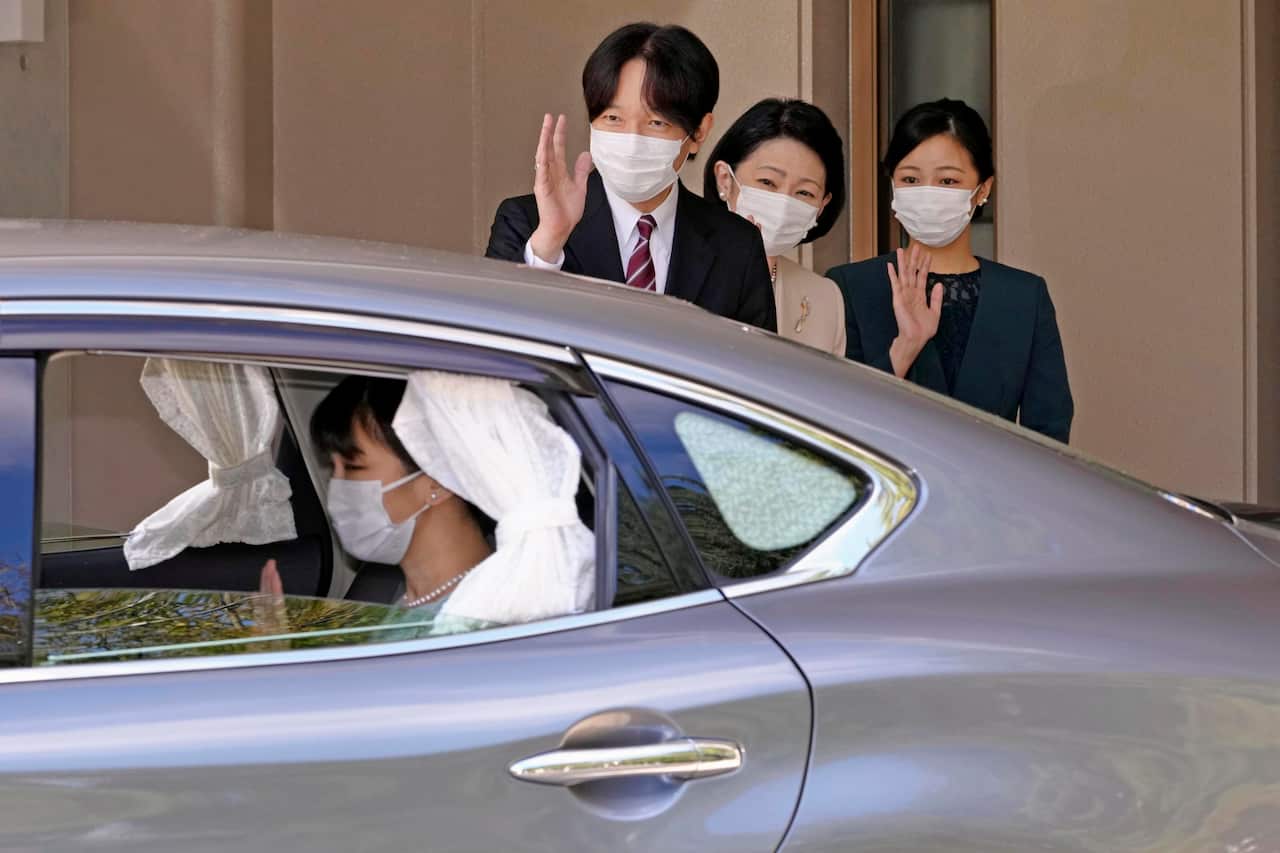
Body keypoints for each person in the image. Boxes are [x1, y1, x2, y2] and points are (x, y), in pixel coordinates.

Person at [485, 22, 777, 332]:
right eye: (613, 119)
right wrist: (549, 244)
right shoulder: (526, 222)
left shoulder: (737, 246)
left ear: (699, 132)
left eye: (655, 123)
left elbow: (761, 370)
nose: (632, 141)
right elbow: (490, 345)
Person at [826, 98, 1073, 443]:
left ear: (982, 189)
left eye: (947, 181)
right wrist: (904, 348)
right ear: (893, 186)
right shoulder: (849, 287)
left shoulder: (1024, 297)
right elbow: (833, 421)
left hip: (993, 493)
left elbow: (1049, 435)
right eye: (911, 179)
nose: (928, 194)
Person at [306, 375, 494, 610]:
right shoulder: (414, 599)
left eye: (353, 467)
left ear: (438, 481)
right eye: (333, 468)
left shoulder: (484, 617)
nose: (336, 485)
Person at [704, 98, 847, 354]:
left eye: (804, 193)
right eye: (768, 183)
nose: (784, 203)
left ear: (822, 205)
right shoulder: (677, 263)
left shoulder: (825, 297)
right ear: (725, 180)